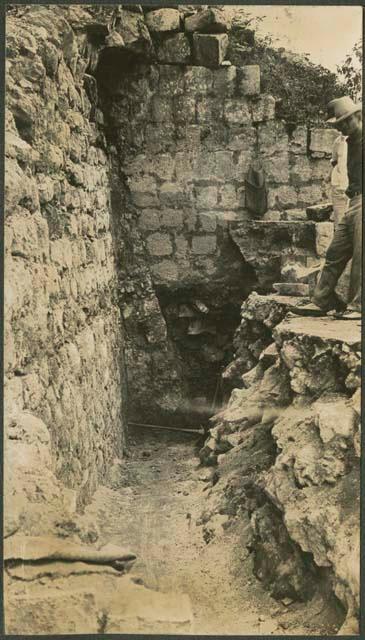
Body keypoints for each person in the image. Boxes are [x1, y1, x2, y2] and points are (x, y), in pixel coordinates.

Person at [292, 96, 362, 320]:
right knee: (335, 252)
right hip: (353, 201)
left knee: (361, 255)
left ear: (357, 117)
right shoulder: (348, 142)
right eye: (339, 123)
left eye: (345, 121)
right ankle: (321, 300)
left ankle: (358, 306)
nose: (342, 126)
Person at [330, 132, 349, 228]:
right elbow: (334, 160)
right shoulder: (338, 141)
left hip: (354, 189)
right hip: (338, 187)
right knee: (339, 225)